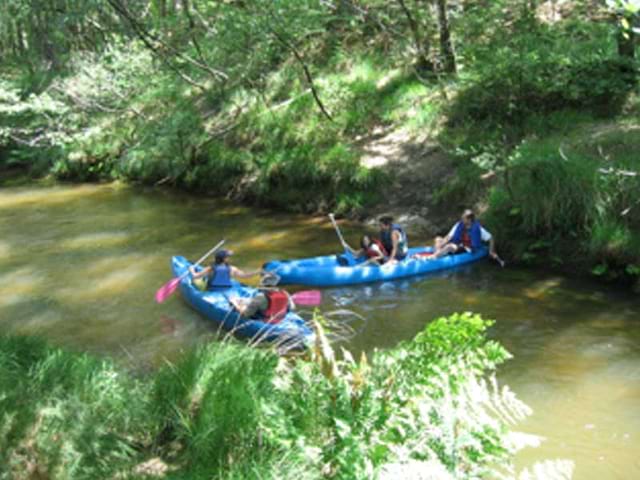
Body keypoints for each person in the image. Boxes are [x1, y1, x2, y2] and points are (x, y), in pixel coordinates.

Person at [432, 209, 499, 260]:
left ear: (469, 219)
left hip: (468, 248)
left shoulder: (478, 228)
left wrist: (491, 251)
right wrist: (441, 244)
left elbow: (491, 238)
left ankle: (433, 258)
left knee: (450, 246)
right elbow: (449, 236)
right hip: (458, 244)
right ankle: (437, 253)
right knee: (438, 239)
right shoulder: (459, 224)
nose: (462, 219)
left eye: (463, 218)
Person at [189, 249, 261, 290]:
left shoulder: (210, 268)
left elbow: (196, 276)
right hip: (227, 290)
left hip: (213, 290)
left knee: (196, 281)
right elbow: (245, 276)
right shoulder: (232, 269)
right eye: (227, 257)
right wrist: (258, 271)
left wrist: (191, 269)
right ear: (224, 259)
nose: (228, 258)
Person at [228, 289, 294, 324]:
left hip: (264, 320)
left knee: (239, 303)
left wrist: (235, 304)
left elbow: (246, 314)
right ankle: (240, 300)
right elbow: (291, 308)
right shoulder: (285, 294)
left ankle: (236, 300)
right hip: (279, 318)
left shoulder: (260, 297)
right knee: (249, 302)